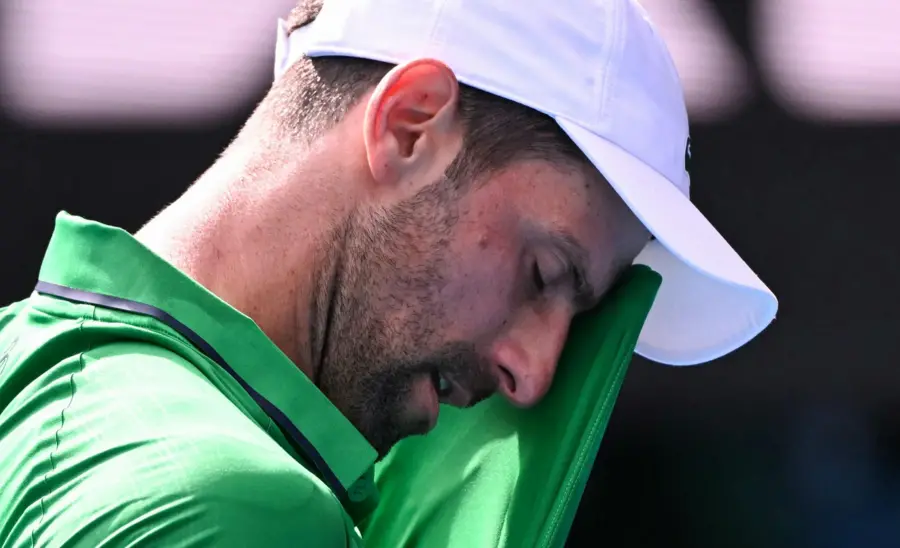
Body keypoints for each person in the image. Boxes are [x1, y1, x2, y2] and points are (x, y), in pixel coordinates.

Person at [0, 0, 777, 545]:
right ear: (409, 125)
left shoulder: (28, 370)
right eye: (542, 274)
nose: (534, 374)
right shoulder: (240, 506)